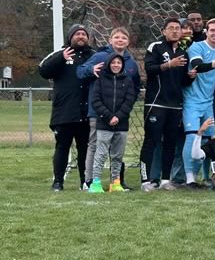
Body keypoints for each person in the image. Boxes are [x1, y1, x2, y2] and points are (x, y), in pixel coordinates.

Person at [77, 26, 141, 190]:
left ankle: (117, 181)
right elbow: (80, 71)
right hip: (98, 113)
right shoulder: (99, 56)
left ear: (128, 42)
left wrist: (124, 110)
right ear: (110, 40)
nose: (120, 40)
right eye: (117, 37)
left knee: (118, 149)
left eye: (124, 38)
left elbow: (135, 88)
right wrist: (91, 69)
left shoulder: (131, 63)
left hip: (120, 115)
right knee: (95, 146)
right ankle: (90, 181)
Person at [38, 24, 95, 191]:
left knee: (85, 148)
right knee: (62, 147)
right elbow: (43, 71)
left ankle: (86, 181)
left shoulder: (93, 55)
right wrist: (61, 57)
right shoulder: (60, 54)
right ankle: (58, 182)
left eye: (84, 34)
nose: (81, 37)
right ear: (70, 37)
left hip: (86, 113)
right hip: (64, 112)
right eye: (77, 34)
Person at [182, 18, 215, 189]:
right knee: (192, 136)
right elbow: (197, 66)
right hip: (192, 101)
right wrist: (214, 64)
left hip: (208, 103)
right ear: (206, 31)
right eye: (212, 30)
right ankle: (190, 178)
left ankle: (205, 177)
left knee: (208, 140)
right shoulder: (197, 47)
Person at [139, 18, 189, 192]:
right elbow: (149, 69)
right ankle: (145, 181)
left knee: (170, 142)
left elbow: (182, 81)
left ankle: (166, 180)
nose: (175, 31)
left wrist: (190, 76)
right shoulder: (156, 47)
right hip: (157, 103)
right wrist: (168, 64)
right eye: (171, 28)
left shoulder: (183, 52)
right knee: (151, 141)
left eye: (178, 28)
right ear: (164, 31)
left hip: (175, 105)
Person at [88, 54, 137, 193]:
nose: (116, 65)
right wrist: (109, 116)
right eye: (113, 62)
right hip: (104, 124)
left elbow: (129, 101)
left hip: (121, 125)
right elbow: (96, 101)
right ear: (109, 64)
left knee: (117, 155)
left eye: (119, 63)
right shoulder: (100, 80)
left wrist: (119, 117)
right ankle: (95, 183)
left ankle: (115, 182)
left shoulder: (127, 81)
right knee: (101, 154)